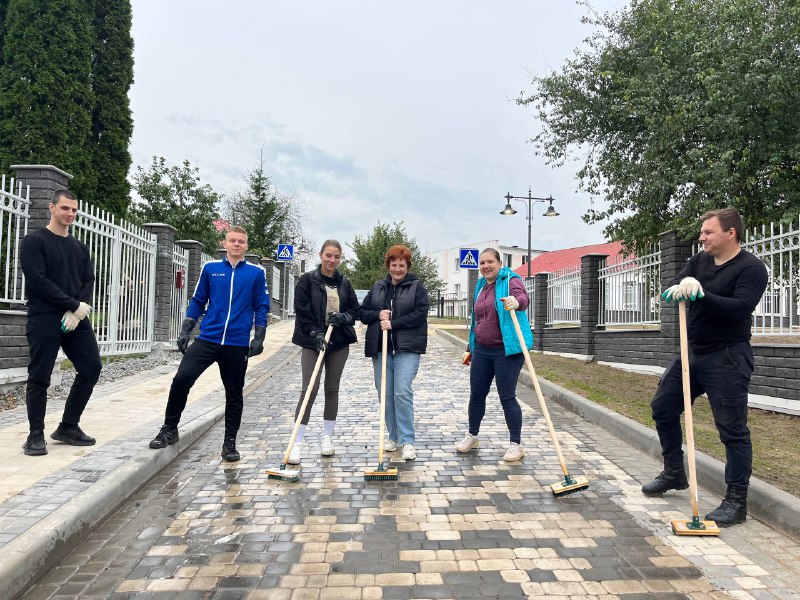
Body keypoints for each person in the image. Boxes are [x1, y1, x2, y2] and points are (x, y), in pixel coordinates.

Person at [643, 208, 768, 527]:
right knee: (663, 408)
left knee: (732, 429)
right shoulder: (699, 261)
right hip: (692, 352)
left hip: (728, 356)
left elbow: (740, 308)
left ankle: (736, 502)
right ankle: (674, 472)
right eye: (702, 232)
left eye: (708, 232)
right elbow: (674, 286)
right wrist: (678, 287)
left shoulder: (751, 268)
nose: (702, 237)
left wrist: (701, 294)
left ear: (731, 233)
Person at [148, 227, 269, 462]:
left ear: (246, 246)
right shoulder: (210, 268)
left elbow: (261, 306)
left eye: (241, 241)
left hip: (236, 343)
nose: (236, 244)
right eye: (232, 240)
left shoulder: (256, 273)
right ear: (225, 243)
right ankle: (169, 428)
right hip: (208, 339)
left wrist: (259, 336)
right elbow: (198, 300)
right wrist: (186, 328)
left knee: (234, 393)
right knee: (181, 379)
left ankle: (229, 442)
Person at [19, 190, 102, 456]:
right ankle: (35, 434)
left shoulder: (79, 247)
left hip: (75, 318)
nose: (70, 214)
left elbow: (88, 280)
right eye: (65, 208)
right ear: (52, 207)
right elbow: (38, 281)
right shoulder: (34, 241)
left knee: (91, 368)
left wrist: (78, 311)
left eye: (74, 210)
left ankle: (68, 426)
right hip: (44, 316)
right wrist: (72, 305)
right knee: (40, 375)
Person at [455, 248, 533, 462]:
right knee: (476, 394)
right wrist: (470, 347)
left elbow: (523, 297)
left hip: (506, 351)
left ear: (499, 263)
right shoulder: (481, 285)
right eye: (482, 263)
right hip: (482, 349)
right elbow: (477, 320)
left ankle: (516, 444)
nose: (486, 266)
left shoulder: (510, 280)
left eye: (490, 262)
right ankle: (472, 436)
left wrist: (517, 302)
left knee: (507, 397)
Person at [288, 240, 359, 463]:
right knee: (309, 389)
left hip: (338, 342)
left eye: (336, 256)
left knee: (332, 388)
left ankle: (327, 437)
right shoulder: (307, 280)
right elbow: (302, 312)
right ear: (321, 255)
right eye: (328, 255)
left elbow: (355, 309)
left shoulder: (344, 283)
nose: (332, 260)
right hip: (313, 341)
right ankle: (296, 443)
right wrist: (315, 334)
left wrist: (345, 317)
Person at [360, 245, 429, 461]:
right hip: (382, 349)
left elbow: (421, 313)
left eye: (401, 265)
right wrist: (377, 315)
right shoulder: (378, 287)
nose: (397, 269)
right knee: (385, 394)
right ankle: (394, 437)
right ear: (388, 265)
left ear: (407, 266)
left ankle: (408, 441)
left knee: (402, 391)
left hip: (407, 348)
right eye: (394, 265)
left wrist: (394, 323)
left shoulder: (416, 287)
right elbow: (363, 312)